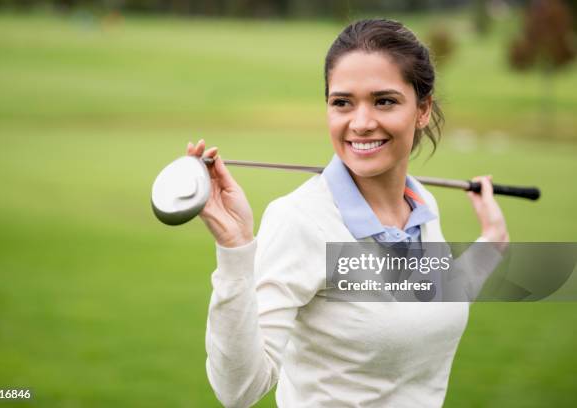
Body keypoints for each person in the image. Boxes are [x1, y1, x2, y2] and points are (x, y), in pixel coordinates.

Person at [186, 18, 509, 408]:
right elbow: (237, 390)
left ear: (422, 109)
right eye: (342, 102)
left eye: (384, 100)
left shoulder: (422, 205)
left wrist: (491, 243)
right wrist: (235, 250)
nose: (360, 123)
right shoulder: (299, 221)